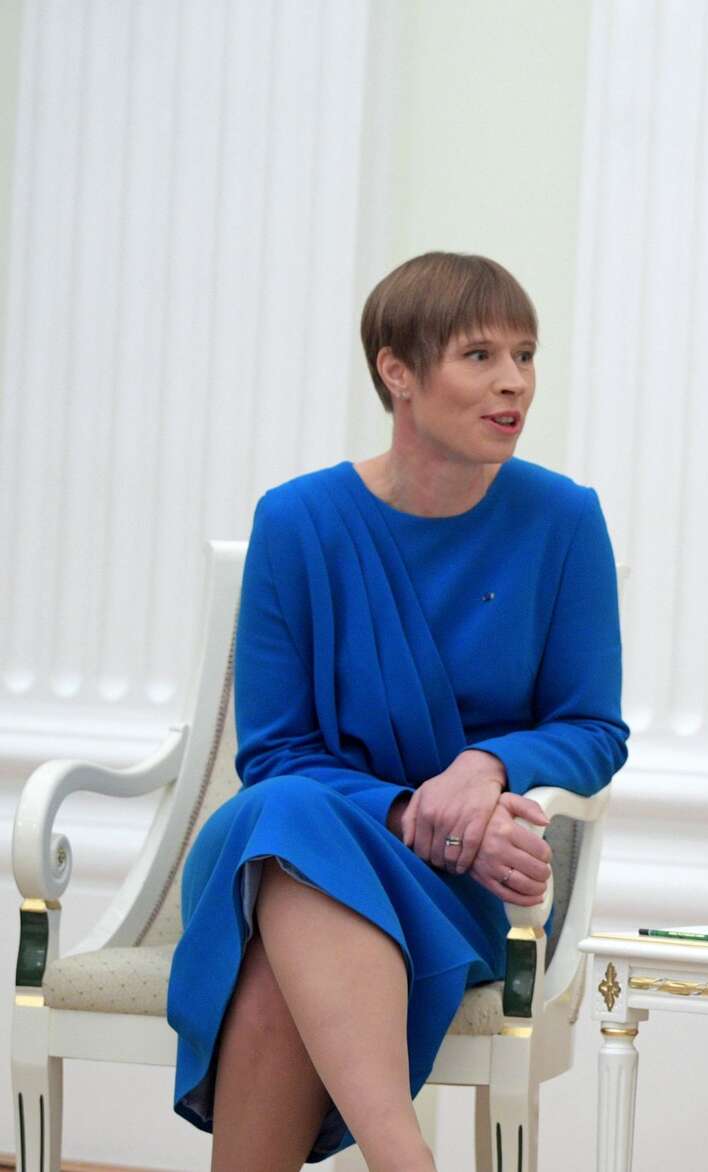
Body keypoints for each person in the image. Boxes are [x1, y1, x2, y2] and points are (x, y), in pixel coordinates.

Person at [165, 252, 629, 1170]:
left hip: (459, 882)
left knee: (274, 973)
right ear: (398, 372)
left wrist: (486, 768)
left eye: (526, 355)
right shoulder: (297, 520)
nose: (514, 381)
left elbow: (593, 730)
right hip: (312, 837)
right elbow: (276, 754)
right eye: (480, 355)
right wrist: (415, 813)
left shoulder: (564, 519)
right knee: (286, 815)